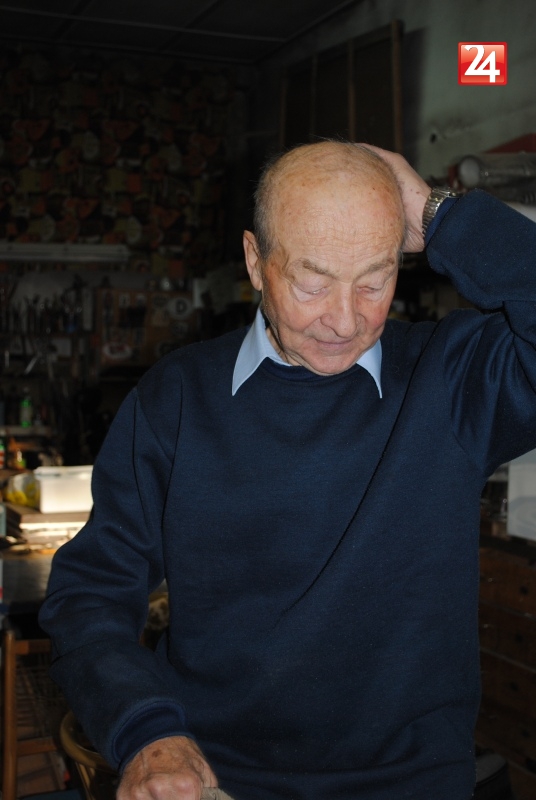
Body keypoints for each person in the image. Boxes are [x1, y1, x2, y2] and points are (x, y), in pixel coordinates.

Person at [39, 141, 536, 800]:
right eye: (312, 283)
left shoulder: (454, 379)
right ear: (255, 261)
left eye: (375, 280)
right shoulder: (177, 399)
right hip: (217, 779)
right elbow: (90, 593)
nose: (345, 319)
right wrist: (147, 733)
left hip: (410, 784)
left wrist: (441, 214)